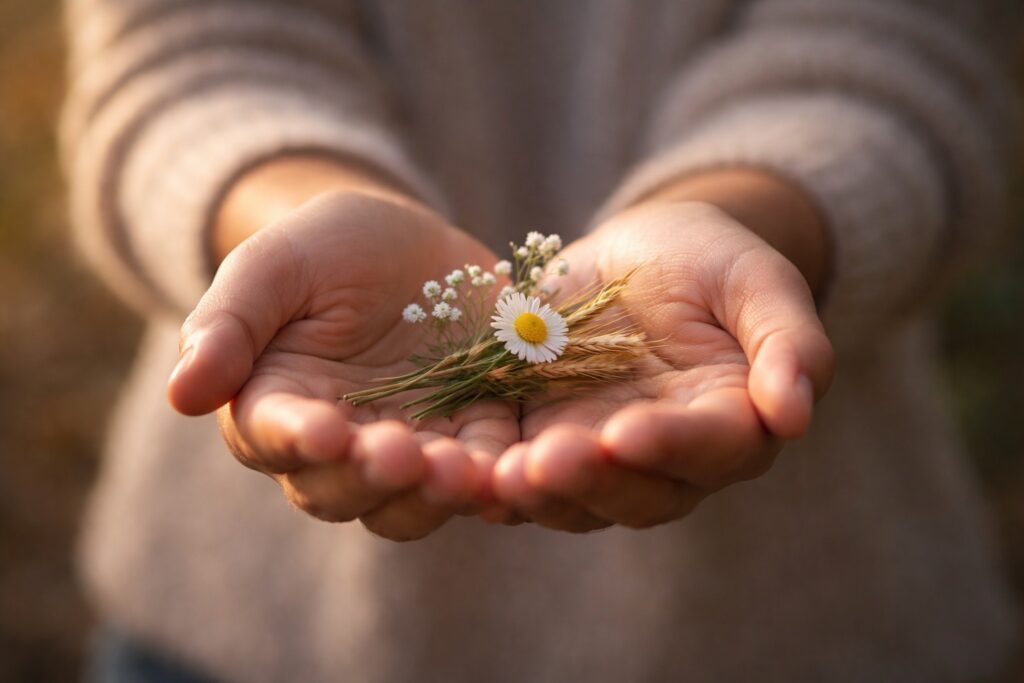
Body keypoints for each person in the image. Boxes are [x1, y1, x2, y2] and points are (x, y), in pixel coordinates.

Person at [63, 0, 1021, 681]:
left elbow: (905, 51)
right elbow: (188, 54)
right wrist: (294, 215)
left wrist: (749, 222)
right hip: (241, 632)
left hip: (821, 625)